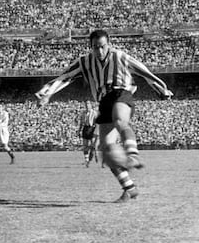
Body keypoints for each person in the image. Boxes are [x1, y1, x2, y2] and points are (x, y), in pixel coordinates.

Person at [36, 29, 173, 203]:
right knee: (106, 151)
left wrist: (162, 89)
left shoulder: (120, 56)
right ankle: (129, 188)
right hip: (103, 101)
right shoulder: (85, 62)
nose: (99, 51)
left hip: (121, 93)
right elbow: (65, 77)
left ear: (108, 44)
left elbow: (143, 71)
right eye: (95, 47)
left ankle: (133, 154)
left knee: (119, 120)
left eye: (102, 46)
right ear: (91, 47)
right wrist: (47, 94)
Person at [78, 100, 99, 167]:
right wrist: (79, 130)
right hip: (85, 128)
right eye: (86, 104)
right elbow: (81, 123)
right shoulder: (83, 113)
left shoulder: (94, 113)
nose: (87, 106)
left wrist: (96, 129)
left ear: (90, 105)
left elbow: (97, 122)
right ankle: (86, 160)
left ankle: (94, 154)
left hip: (92, 128)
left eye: (88, 104)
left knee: (93, 145)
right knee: (85, 145)